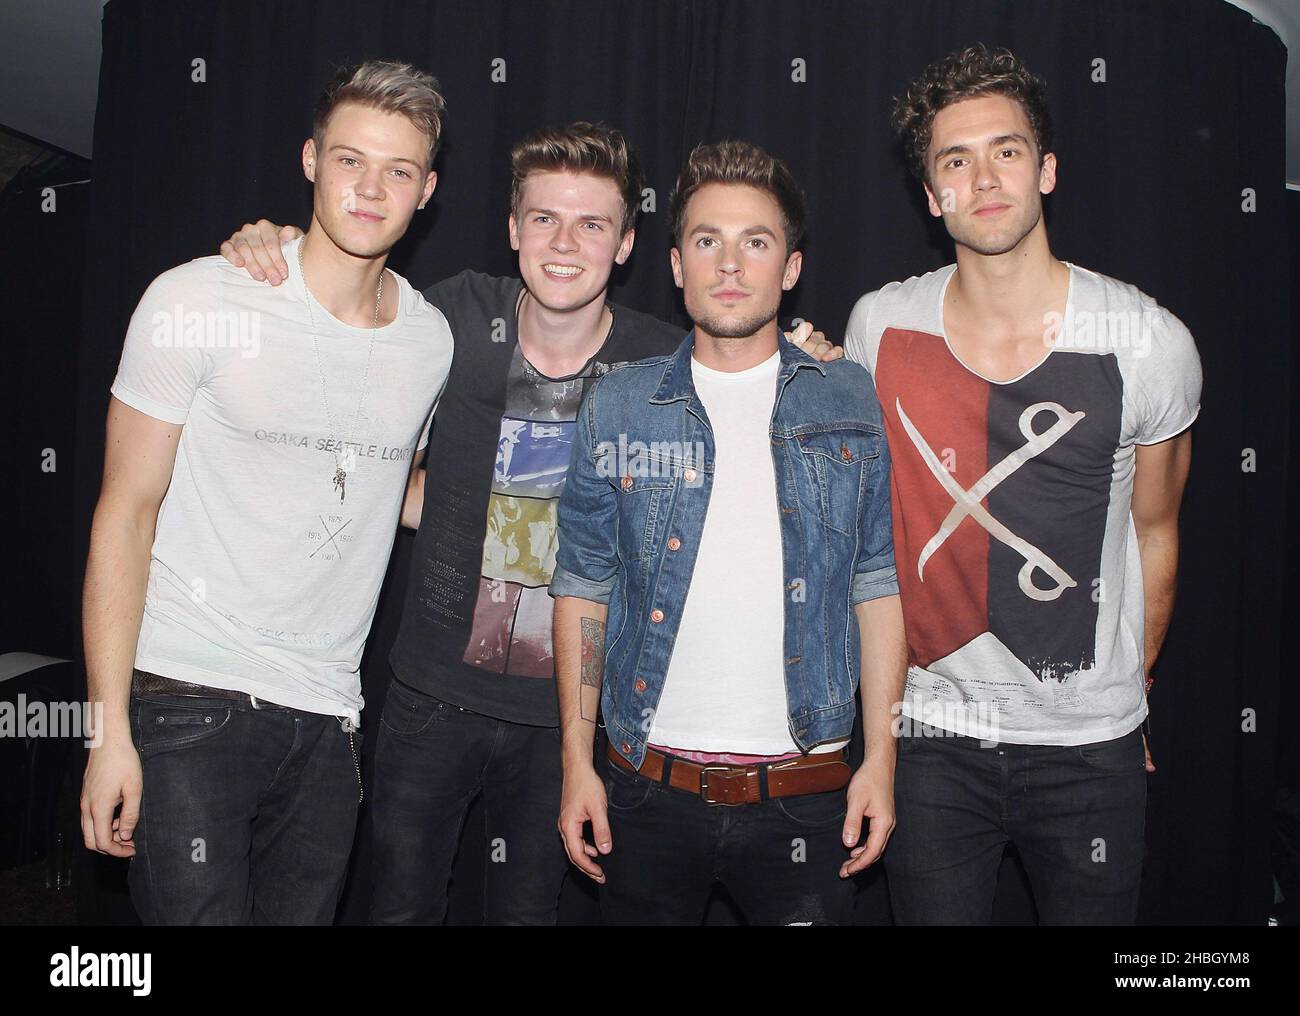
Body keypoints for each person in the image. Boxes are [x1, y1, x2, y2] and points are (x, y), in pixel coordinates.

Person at [222, 124, 835, 924]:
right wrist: (270, 244)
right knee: (397, 908)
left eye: (592, 224)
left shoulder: (661, 365)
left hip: (568, 718)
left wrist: (809, 350)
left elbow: (755, 372)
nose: (565, 243)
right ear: (513, 229)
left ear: (626, 246)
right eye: (544, 218)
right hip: (428, 698)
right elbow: (335, 320)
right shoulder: (446, 320)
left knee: (529, 914)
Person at [80, 60, 454, 925]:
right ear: (310, 160)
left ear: (427, 190)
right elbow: (123, 514)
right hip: (186, 697)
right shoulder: (196, 299)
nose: (371, 188)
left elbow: (386, 483)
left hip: (331, 719)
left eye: (399, 170)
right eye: (351, 160)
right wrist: (107, 733)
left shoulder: (429, 340)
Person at [844, 44, 1202, 924]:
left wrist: (1130, 684)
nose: (983, 177)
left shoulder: (1147, 342)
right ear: (932, 197)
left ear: (1045, 170)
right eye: (953, 161)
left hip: (1090, 747)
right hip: (929, 738)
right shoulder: (880, 328)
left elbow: (1156, 529)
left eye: (1005, 150)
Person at [552, 140, 908, 926]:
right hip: (644, 790)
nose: (730, 264)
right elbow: (583, 587)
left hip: (807, 796)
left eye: (757, 242)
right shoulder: (620, 406)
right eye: (708, 240)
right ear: (677, 264)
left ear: (790, 268)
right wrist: (577, 762)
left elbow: (875, 582)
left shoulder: (846, 397)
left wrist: (881, 758)